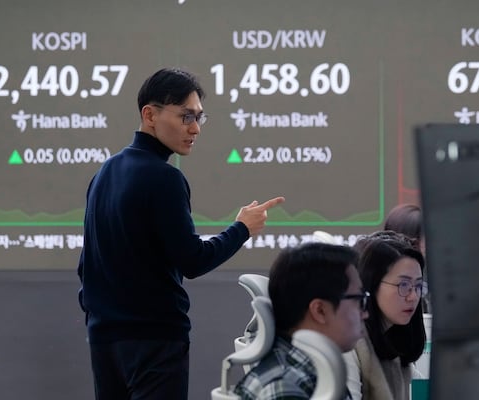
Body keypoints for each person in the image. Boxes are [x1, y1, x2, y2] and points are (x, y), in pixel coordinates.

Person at [76, 67, 285, 400]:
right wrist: (242, 228)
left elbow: (86, 265)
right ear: (150, 114)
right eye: (186, 116)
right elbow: (192, 260)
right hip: (155, 341)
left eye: (200, 118)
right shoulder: (165, 178)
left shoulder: (105, 171)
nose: (195, 129)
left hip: (104, 338)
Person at [233, 242, 370, 399]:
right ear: (320, 310)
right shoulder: (284, 387)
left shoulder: (314, 373)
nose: (365, 314)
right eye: (359, 300)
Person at [345, 231, 426, 400]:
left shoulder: (395, 343)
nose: (413, 296)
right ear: (370, 284)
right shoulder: (347, 347)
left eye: (418, 286)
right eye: (403, 285)